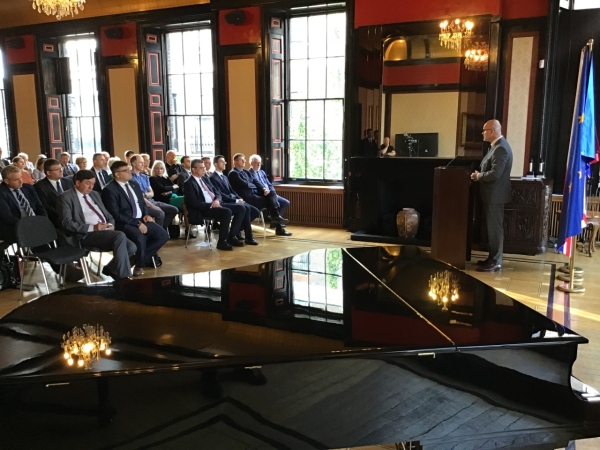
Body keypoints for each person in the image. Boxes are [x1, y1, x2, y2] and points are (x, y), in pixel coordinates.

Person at [57, 170, 137, 280]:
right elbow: (67, 223)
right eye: (88, 183)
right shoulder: (65, 197)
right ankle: (123, 278)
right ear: (78, 183)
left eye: (93, 184)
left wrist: (110, 224)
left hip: (104, 231)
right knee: (119, 236)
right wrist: (93, 227)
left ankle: (110, 269)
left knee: (131, 247)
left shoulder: (95, 194)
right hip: (85, 234)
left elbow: (108, 215)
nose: (91, 187)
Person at [101, 160, 169, 275]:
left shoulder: (133, 184)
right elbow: (115, 214)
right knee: (140, 238)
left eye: (129, 169)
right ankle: (139, 264)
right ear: (117, 174)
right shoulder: (109, 190)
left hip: (142, 219)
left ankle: (136, 260)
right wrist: (137, 224)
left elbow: (142, 203)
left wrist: (146, 214)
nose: (130, 172)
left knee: (162, 235)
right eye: (126, 170)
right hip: (124, 223)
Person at [470, 119, 513, 272]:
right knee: (491, 228)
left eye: (485, 130)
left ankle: (496, 261)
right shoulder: (496, 146)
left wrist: (478, 176)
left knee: (495, 229)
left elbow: (495, 174)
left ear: (493, 131)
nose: (482, 133)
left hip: (495, 196)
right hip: (492, 195)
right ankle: (492, 258)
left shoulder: (501, 148)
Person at [184, 159, 251, 251]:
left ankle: (231, 236)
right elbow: (194, 203)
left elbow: (217, 192)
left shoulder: (205, 179)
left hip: (216, 204)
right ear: (194, 169)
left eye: (204, 167)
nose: (204, 170)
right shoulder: (188, 183)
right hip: (204, 209)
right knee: (227, 212)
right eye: (201, 168)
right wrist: (211, 205)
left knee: (241, 208)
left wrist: (217, 200)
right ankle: (222, 242)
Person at [228, 153, 289, 232]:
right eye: (242, 160)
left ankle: (276, 218)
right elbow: (246, 185)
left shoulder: (245, 172)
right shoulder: (233, 173)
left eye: (244, 160)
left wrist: (264, 189)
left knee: (271, 194)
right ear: (235, 162)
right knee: (271, 201)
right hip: (245, 198)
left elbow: (255, 182)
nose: (244, 161)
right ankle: (276, 219)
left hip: (252, 196)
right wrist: (253, 185)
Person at [211, 155, 261, 238]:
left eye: (225, 162)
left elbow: (232, 190)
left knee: (255, 211)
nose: (224, 163)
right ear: (215, 164)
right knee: (245, 208)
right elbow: (219, 194)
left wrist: (239, 198)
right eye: (222, 162)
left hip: (234, 199)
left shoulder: (224, 176)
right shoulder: (213, 177)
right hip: (226, 201)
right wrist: (236, 201)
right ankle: (247, 237)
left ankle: (236, 230)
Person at [0, 165, 46, 245]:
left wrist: (44, 220)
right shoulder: (2, 193)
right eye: (16, 180)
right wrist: (29, 225)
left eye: (21, 177)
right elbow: (8, 217)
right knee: (39, 239)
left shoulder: (28, 188)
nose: (21, 181)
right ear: (6, 181)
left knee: (58, 236)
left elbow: (40, 206)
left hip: (35, 222)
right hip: (16, 227)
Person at [130, 154, 178, 230]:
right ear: (133, 163)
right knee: (160, 213)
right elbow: (138, 196)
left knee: (174, 210)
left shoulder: (144, 177)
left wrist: (144, 195)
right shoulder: (130, 177)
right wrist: (152, 205)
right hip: (140, 204)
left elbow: (152, 193)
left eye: (143, 162)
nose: (143, 164)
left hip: (151, 200)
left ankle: (161, 229)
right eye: (141, 162)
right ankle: (159, 232)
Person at [247, 154, 291, 236]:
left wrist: (272, 191)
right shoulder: (249, 173)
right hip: (260, 194)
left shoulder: (262, 172)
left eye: (260, 162)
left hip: (270, 194)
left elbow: (269, 184)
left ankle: (275, 220)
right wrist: (265, 191)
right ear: (251, 163)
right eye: (256, 162)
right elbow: (255, 186)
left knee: (285, 202)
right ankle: (279, 227)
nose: (259, 164)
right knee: (276, 203)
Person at [34, 158, 74, 229]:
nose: (61, 171)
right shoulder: (39, 186)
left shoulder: (68, 182)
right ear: (48, 173)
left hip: (73, 216)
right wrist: (64, 214)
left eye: (61, 168)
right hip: (55, 220)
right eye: (57, 169)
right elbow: (45, 207)